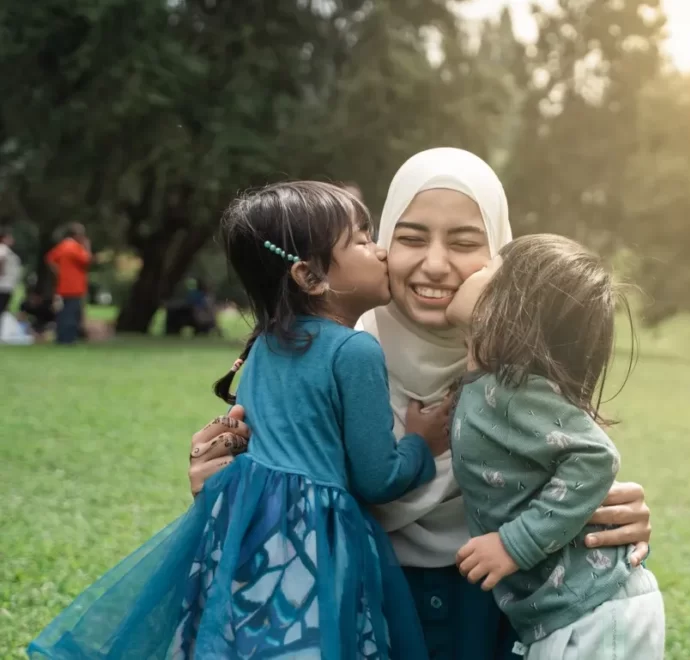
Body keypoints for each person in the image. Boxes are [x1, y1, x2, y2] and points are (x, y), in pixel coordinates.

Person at [188, 148, 653, 659]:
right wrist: (220, 479)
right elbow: (272, 490)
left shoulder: (528, 372)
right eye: (409, 238)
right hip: (355, 600)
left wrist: (615, 514)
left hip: (500, 615)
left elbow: (583, 472)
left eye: (465, 241)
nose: (434, 264)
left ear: (500, 252)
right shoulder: (324, 357)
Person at [28, 182, 452, 659]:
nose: (380, 252)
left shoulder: (265, 343)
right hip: (313, 535)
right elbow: (376, 478)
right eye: (361, 240)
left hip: (243, 524)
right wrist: (420, 442)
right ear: (309, 277)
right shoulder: (355, 350)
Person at [446, 235, 665, 659]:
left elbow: (595, 457)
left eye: (486, 268)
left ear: (502, 307)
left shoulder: (511, 388)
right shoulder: (487, 388)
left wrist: (514, 544)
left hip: (595, 610)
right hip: (571, 613)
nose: (469, 271)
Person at [45, 223, 92, 345]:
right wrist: (87, 247)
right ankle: (68, 339)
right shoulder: (75, 247)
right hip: (74, 287)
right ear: (77, 235)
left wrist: (59, 272)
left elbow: (50, 259)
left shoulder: (62, 246)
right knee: (71, 313)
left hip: (63, 285)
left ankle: (61, 337)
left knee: (63, 313)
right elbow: (87, 260)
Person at [0, 225, 20, 316]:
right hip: (3, 285)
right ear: (4, 238)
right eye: (10, 237)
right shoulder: (3, 248)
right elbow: (1, 259)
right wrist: (2, 272)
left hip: (6, 285)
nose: (12, 239)